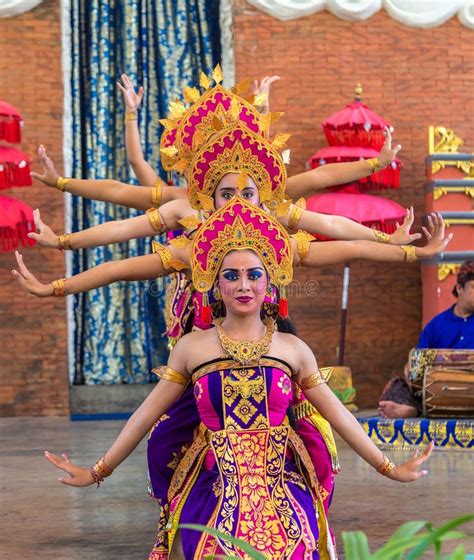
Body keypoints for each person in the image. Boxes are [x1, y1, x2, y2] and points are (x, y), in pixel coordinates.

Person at [44, 198, 433, 559]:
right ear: (214, 283)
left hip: (283, 489)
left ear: (270, 283)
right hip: (214, 489)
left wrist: (389, 468)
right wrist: (97, 471)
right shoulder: (192, 348)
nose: (243, 285)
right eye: (231, 275)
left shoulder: (293, 349)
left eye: (253, 275)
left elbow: (340, 417)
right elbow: (144, 417)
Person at [378, 260, 474, 418]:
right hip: (440, 391)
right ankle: (413, 408)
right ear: (459, 288)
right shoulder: (436, 325)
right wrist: (412, 371)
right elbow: (418, 362)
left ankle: (415, 410)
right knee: (399, 385)